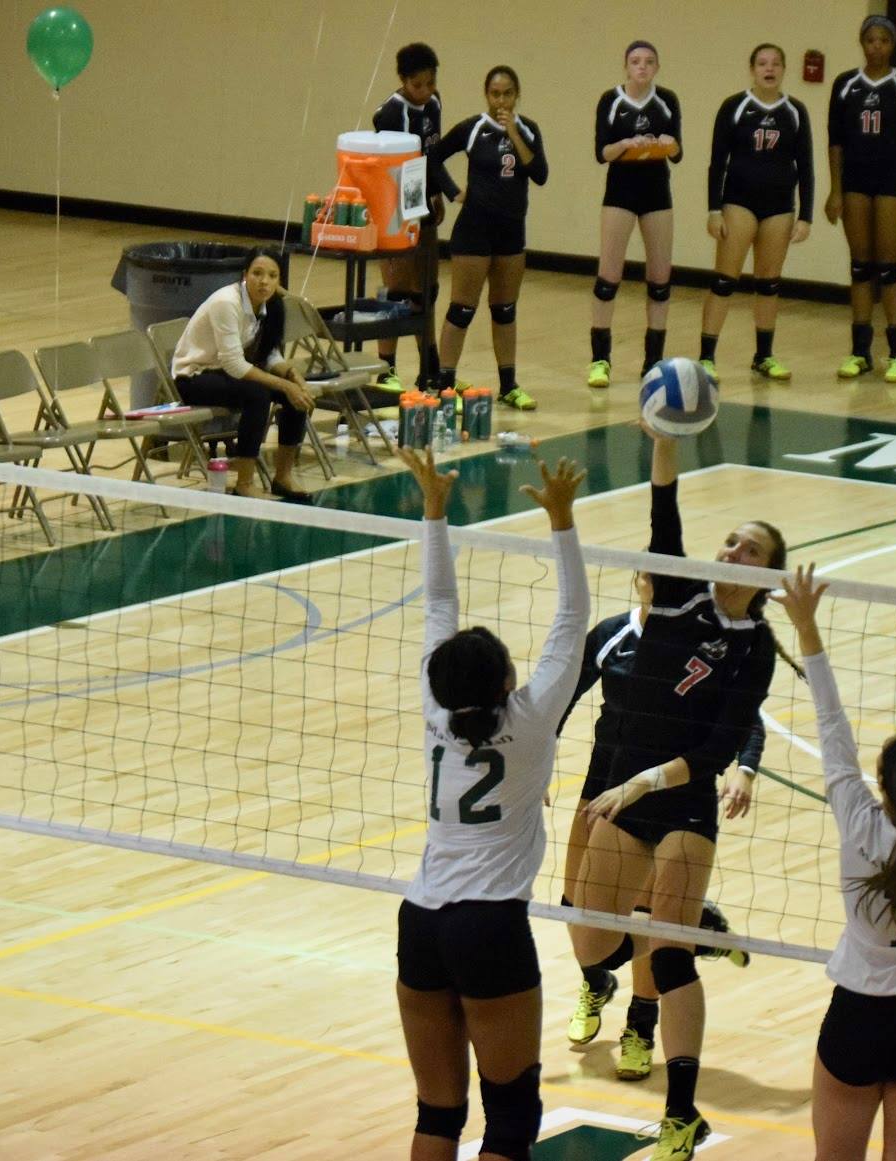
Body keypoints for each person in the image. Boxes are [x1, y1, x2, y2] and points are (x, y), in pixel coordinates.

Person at [567, 426, 799, 1161]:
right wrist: (665, 440)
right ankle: (690, 911)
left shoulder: (755, 648)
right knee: (592, 938)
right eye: (729, 541)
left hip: (680, 800)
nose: (731, 552)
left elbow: (716, 749)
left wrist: (644, 781)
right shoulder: (674, 595)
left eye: (749, 549)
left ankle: (681, 1114)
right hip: (625, 794)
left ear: (767, 576)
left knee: (668, 959)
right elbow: (661, 507)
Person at [395, 445, 589, 1161]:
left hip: (420, 920)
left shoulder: (434, 710)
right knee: (509, 1119)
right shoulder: (532, 716)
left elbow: (437, 604)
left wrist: (434, 508)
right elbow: (572, 615)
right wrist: (561, 520)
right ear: (508, 678)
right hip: (488, 926)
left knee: (438, 1112)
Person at [772, 557, 896, 1161]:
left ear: (881, 786)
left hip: (858, 1017)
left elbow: (831, 725)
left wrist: (806, 627)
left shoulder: (859, 823)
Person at [556, 571, 760, 1083]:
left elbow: (744, 717)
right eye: (648, 575)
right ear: (635, 579)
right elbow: (561, 697)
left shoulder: (695, 644)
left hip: (665, 789)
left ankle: (641, 1027)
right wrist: (538, 756)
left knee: (645, 915)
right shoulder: (611, 634)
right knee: (578, 910)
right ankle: (597, 979)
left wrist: (745, 767)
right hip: (603, 780)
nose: (655, 583)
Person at [430, 66, 548, 411]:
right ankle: (445, 383)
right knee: (462, 308)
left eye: (507, 93)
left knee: (505, 309)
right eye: (495, 93)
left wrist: (514, 130)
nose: (501, 100)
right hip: (474, 229)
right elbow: (435, 156)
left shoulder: (528, 130)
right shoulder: (473, 128)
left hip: (512, 230)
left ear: (517, 95)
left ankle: (509, 385)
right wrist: (453, 192)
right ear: (486, 94)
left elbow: (540, 174)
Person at [698, 43, 814, 385]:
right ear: (752, 69)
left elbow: (805, 166)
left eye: (776, 63)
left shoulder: (795, 111)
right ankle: (706, 357)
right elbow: (717, 162)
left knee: (769, 282)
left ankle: (764, 356)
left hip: (779, 206)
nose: (769, 68)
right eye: (763, 63)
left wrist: (806, 214)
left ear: (783, 70)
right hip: (739, 202)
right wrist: (714, 209)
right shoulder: (735, 107)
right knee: (724, 280)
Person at [824, 16, 896, 383]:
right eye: (870, 40)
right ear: (862, 42)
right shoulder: (845, 85)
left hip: (892, 180)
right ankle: (859, 351)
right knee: (860, 266)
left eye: (884, 40)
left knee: (888, 266)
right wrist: (835, 189)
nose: (877, 46)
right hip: (854, 180)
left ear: (893, 44)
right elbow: (834, 140)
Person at [170, 247, 316, 500]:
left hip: (227, 375)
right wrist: (284, 385)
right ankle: (244, 483)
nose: (264, 281)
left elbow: (268, 355)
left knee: (296, 397)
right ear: (244, 275)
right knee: (257, 395)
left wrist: (292, 376)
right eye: (257, 273)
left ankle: (283, 477)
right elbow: (234, 365)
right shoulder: (226, 303)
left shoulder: (271, 306)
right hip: (194, 376)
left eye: (272, 275)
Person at [587, 40, 682, 389]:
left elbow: (677, 151)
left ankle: (653, 361)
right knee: (608, 276)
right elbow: (602, 152)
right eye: (635, 61)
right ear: (626, 67)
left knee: (659, 280)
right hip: (620, 193)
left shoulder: (667, 100)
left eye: (649, 62)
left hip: (657, 193)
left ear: (657, 67)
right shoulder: (610, 100)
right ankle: (600, 360)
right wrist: (626, 144)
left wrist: (667, 144)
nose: (642, 67)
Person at [373, 42, 456, 394]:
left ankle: (429, 366)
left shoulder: (434, 104)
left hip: (422, 201)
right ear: (404, 81)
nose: (425, 91)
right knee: (397, 289)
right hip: (393, 204)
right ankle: (386, 368)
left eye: (430, 83)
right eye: (418, 85)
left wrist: (436, 193)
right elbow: (389, 170)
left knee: (428, 287)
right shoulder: (390, 114)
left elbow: (431, 156)